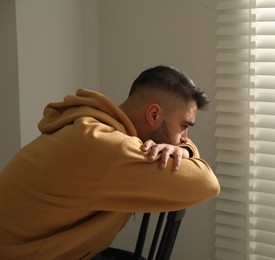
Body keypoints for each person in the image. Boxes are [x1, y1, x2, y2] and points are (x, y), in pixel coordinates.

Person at [0, 65, 220, 259]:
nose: (185, 138)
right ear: (154, 115)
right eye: (184, 126)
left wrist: (182, 150)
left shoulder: (90, 127)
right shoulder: (107, 146)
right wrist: (188, 152)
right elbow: (207, 184)